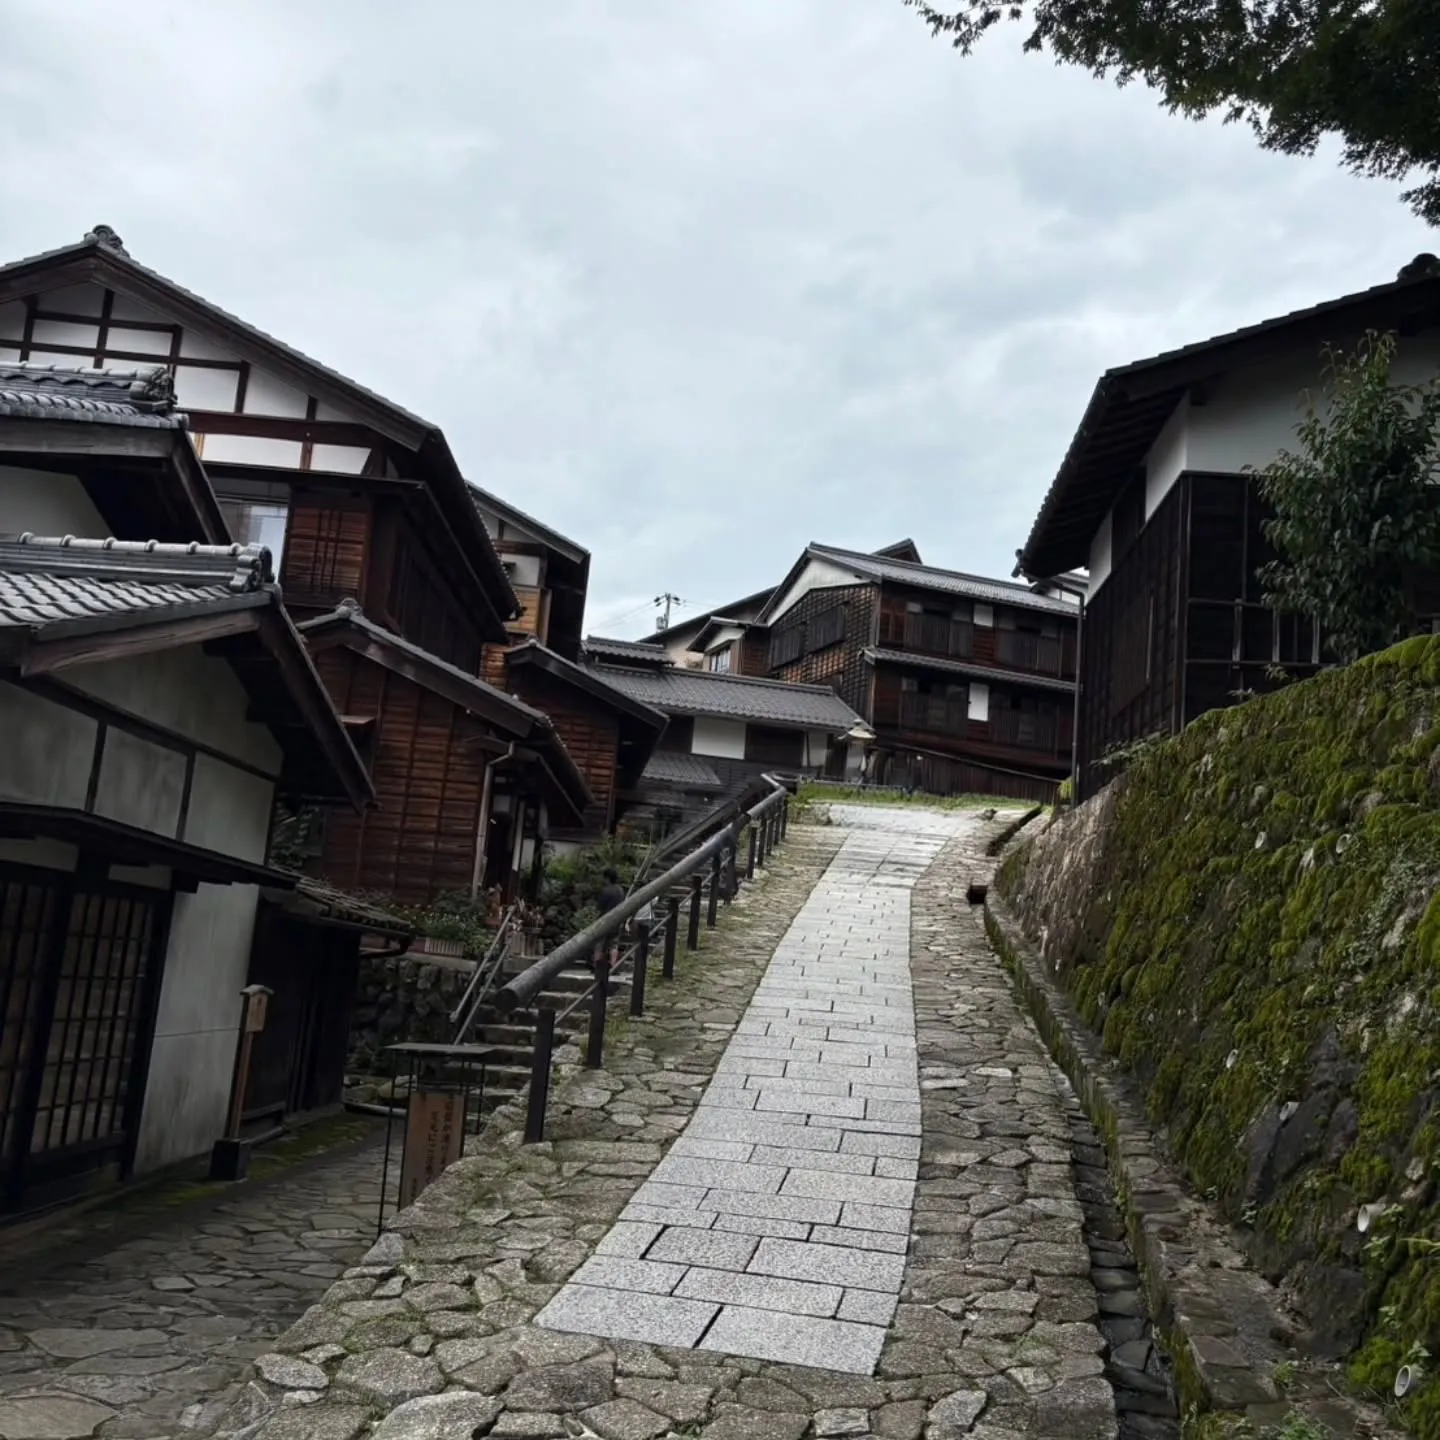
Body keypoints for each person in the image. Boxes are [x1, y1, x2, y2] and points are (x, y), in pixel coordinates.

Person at [594, 867, 626, 969]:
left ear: (607, 878)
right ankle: (613, 965)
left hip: (604, 920)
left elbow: (599, 908)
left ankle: (597, 965)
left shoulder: (606, 891)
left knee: (600, 943)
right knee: (614, 944)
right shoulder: (620, 891)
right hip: (617, 920)